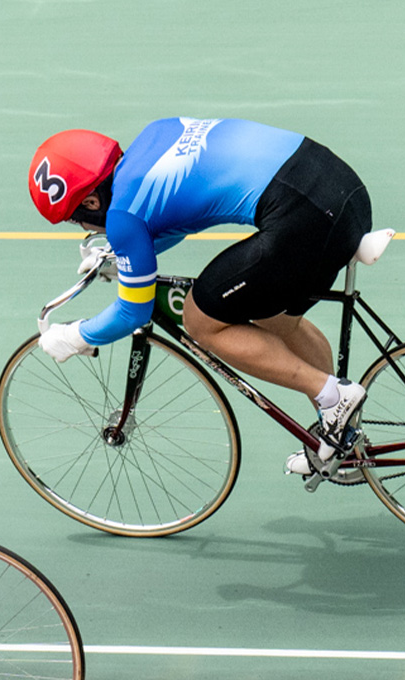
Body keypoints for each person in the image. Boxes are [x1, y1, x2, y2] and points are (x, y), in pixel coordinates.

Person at [28, 119, 374, 471]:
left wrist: (76, 335)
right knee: (274, 317)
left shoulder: (124, 217)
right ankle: (340, 432)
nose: (85, 228)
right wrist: (122, 256)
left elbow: (133, 312)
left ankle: (331, 396)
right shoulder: (155, 135)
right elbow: (175, 220)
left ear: (89, 201)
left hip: (305, 219)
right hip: (340, 189)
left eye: (76, 220)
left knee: (201, 319)